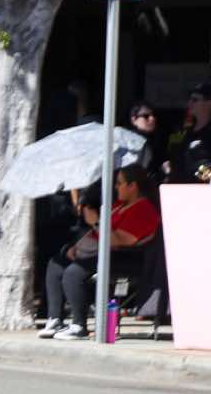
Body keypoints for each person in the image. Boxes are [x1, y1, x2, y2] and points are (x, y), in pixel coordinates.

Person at [42, 164, 160, 339]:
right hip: (99, 251)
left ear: (133, 186)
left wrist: (96, 222)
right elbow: (96, 233)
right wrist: (77, 247)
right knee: (56, 264)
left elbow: (120, 240)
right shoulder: (119, 205)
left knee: (74, 273)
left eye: (119, 183)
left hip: (124, 256)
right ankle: (55, 319)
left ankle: (79, 325)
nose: (116, 187)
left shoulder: (144, 210)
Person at [169, 82, 211, 185]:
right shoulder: (182, 131)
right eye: (189, 99)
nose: (190, 103)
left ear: (209, 103)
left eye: (195, 100)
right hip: (175, 189)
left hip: (201, 191)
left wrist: (200, 171)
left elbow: (206, 172)